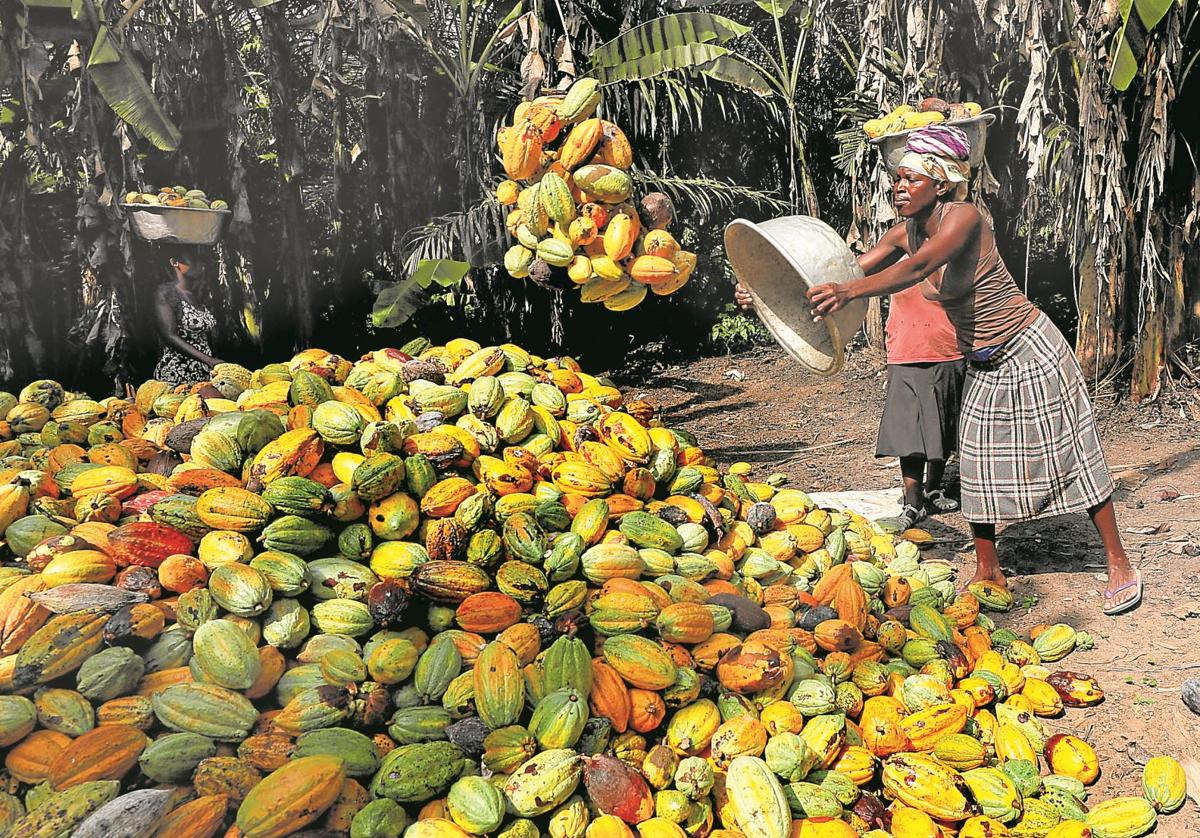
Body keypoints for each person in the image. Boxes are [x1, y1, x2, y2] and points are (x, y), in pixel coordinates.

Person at [736, 124, 1141, 614]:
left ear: (943, 183)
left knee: (1069, 451)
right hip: (983, 362)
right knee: (974, 463)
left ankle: (1118, 561)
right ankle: (988, 569)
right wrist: (768, 289)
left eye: (911, 179)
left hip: (1029, 348)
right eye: (897, 179)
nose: (899, 187)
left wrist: (848, 294)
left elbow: (916, 268)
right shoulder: (902, 232)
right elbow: (845, 273)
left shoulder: (965, 219)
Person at [153, 245, 222, 386]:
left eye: (200, 260)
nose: (200, 265)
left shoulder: (198, 294)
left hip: (204, 372)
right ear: (174, 262)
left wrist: (212, 361)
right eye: (193, 260)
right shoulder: (166, 292)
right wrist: (209, 360)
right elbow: (170, 336)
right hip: (177, 374)